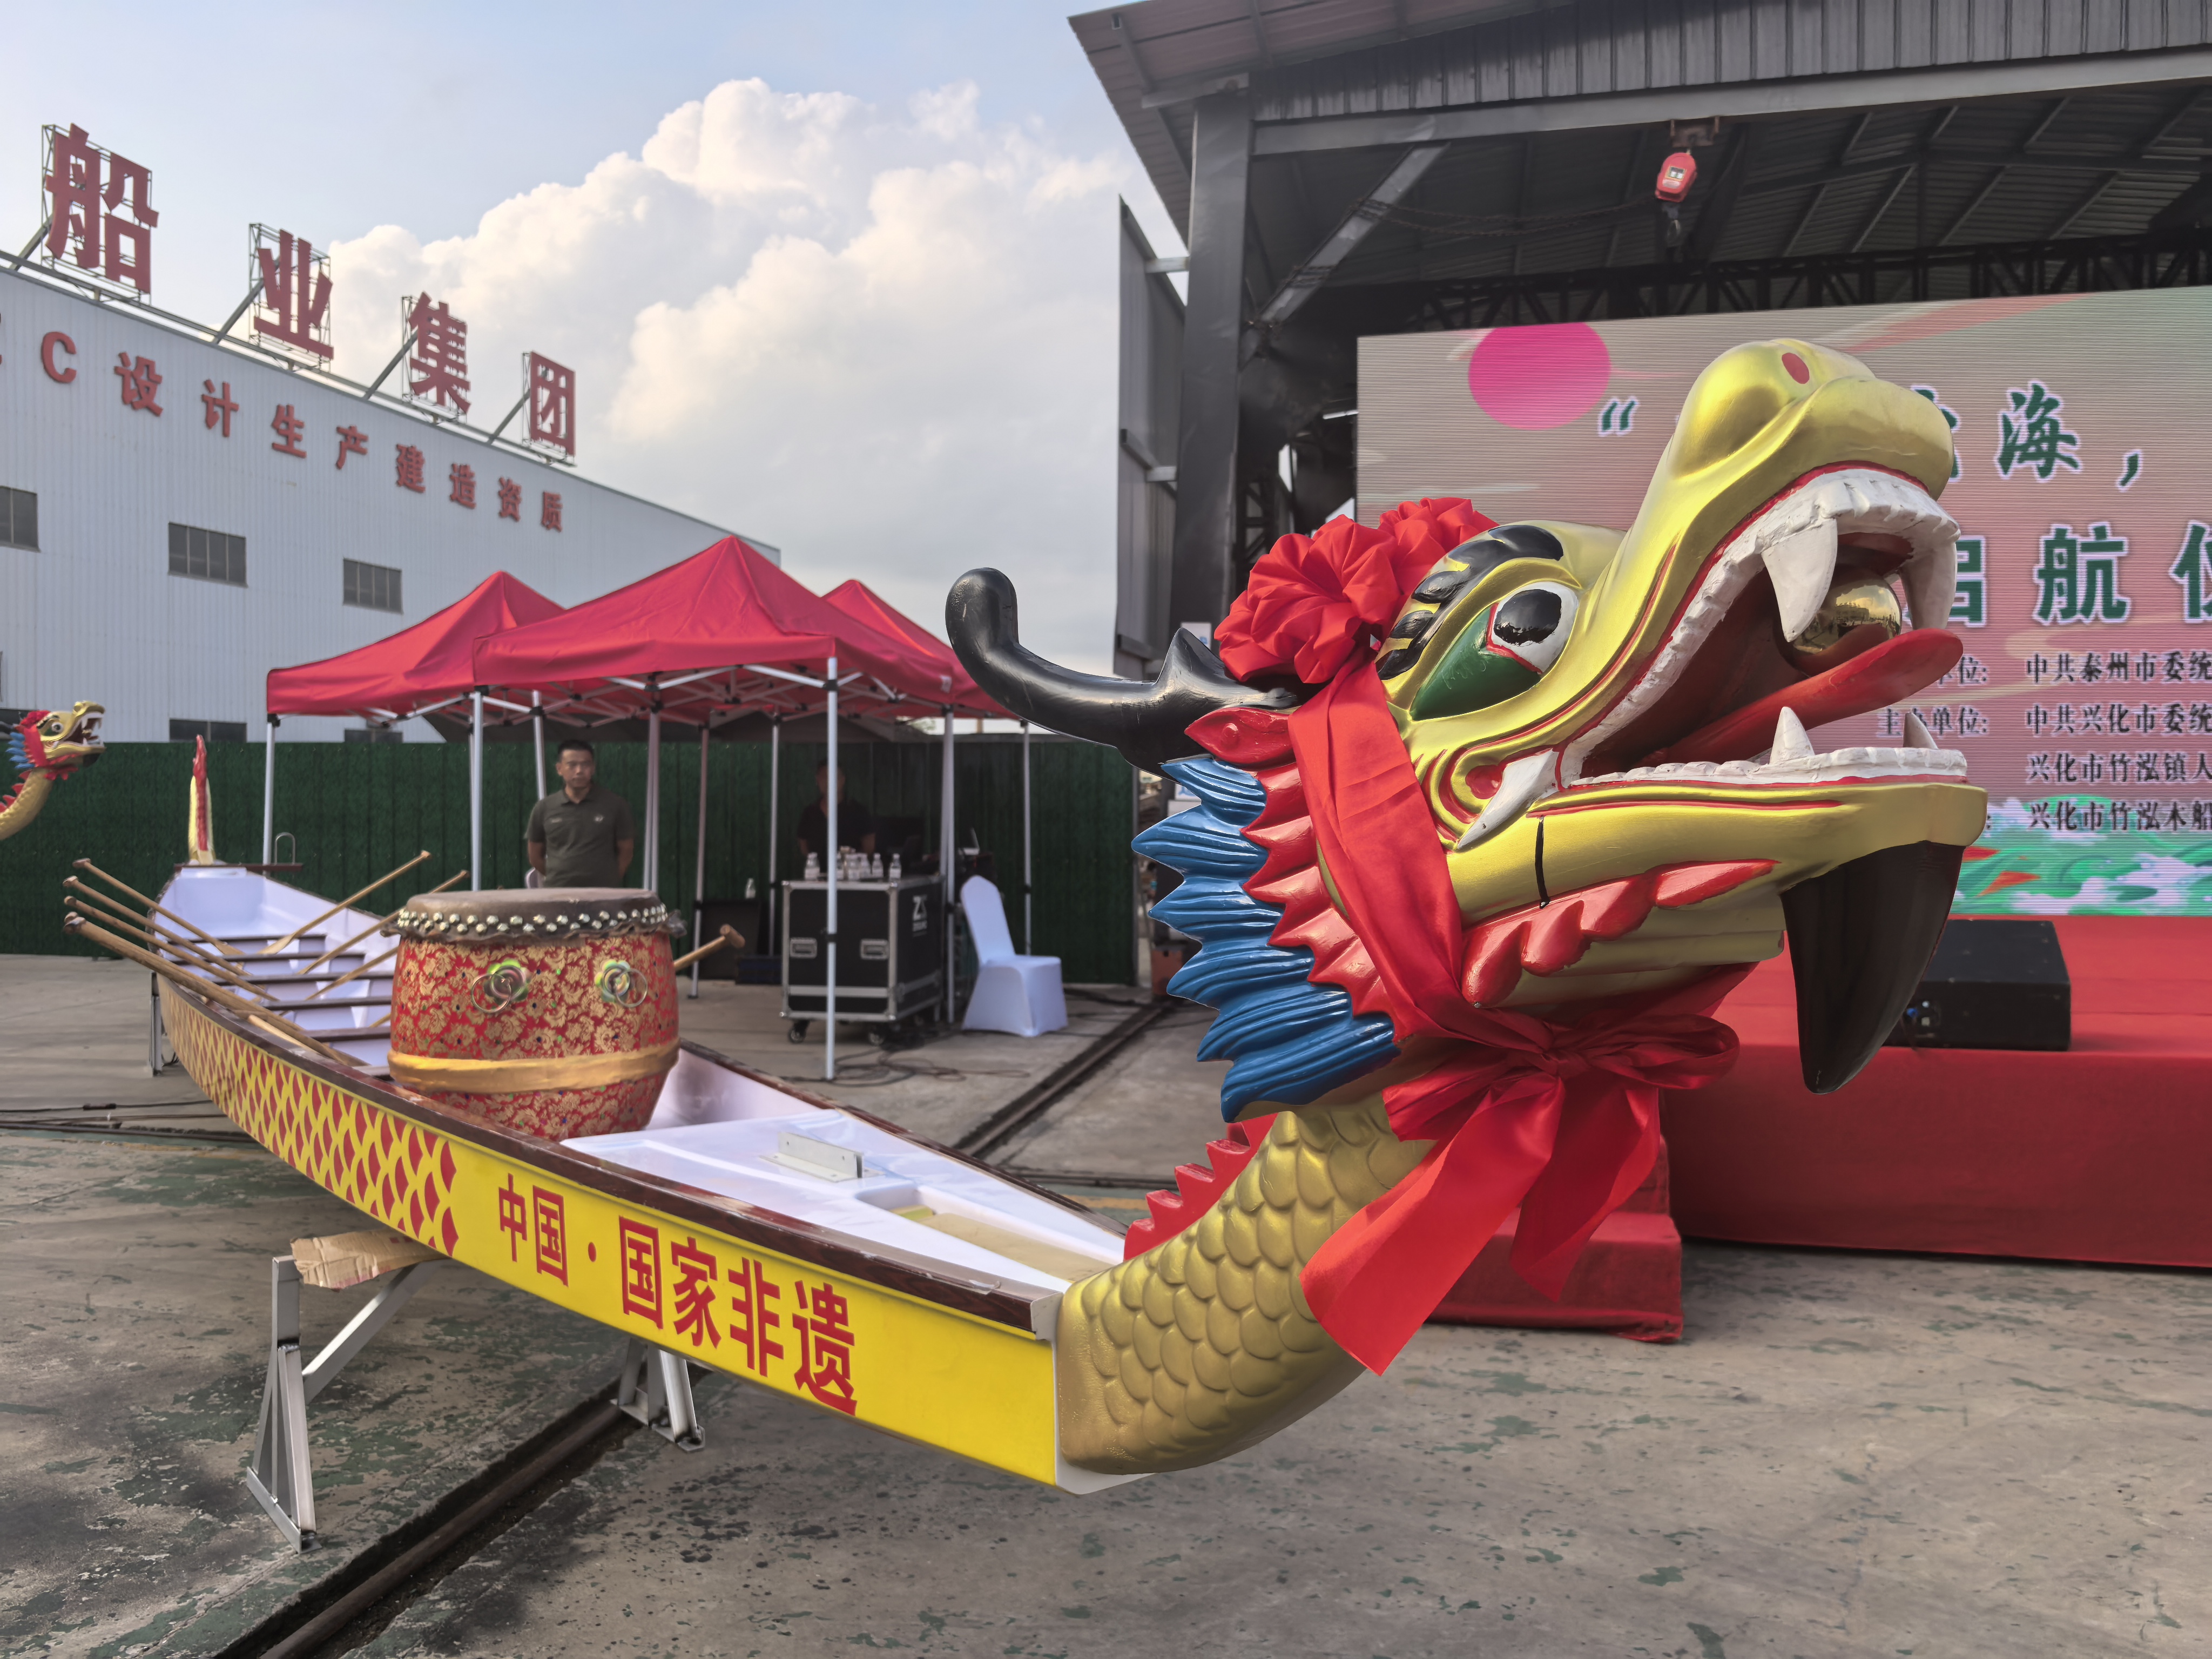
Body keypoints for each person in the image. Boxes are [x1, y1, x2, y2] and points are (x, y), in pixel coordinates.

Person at [527, 739, 637, 888]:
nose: (579, 771)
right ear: (559, 769)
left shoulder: (615, 805)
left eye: (585, 765)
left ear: (593, 768)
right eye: (572, 765)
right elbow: (534, 856)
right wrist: (558, 876)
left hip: (603, 892)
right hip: (557, 891)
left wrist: (610, 879)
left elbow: (626, 851)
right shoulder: (544, 808)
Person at [796, 762, 875, 864]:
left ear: (843, 780)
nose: (829, 781)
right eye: (824, 777)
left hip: (850, 871)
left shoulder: (858, 811)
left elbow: (869, 845)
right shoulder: (810, 813)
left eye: (834, 777)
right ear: (817, 780)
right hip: (817, 871)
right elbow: (803, 842)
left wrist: (853, 865)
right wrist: (813, 863)